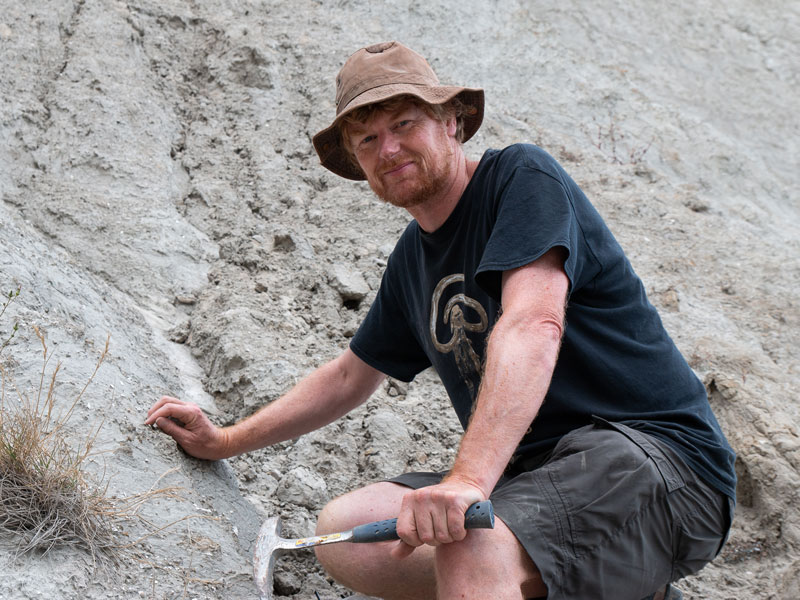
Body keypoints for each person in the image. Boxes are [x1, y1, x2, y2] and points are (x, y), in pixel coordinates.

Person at [146, 41, 736, 600]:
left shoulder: (521, 180)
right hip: (539, 474)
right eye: (368, 139)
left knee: (468, 540)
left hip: (663, 462)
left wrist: (469, 481)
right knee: (350, 533)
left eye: (404, 124)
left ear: (451, 121)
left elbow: (533, 323)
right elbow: (351, 376)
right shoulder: (412, 260)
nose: (389, 149)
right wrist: (224, 441)